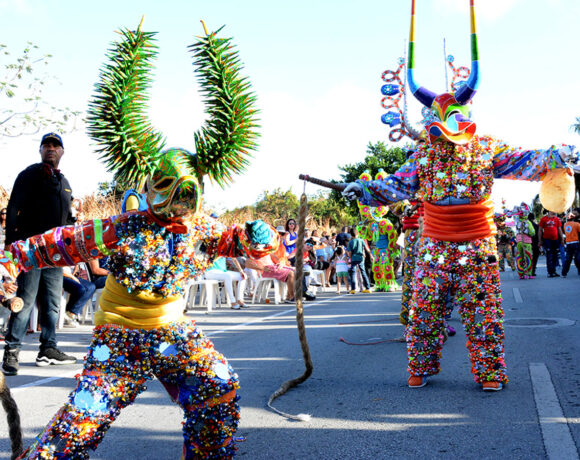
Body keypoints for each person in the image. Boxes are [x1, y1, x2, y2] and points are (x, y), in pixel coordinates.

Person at [341, 1, 578, 392]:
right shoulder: (425, 154)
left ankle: (489, 372)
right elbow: (398, 184)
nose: (441, 127)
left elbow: (526, 160)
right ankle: (420, 367)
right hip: (434, 244)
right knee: (424, 312)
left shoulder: (485, 149)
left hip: (477, 243)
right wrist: (363, 189)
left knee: (484, 312)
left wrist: (561, 154)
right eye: (435, 119)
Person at [2, 132, 77, 376]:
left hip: (55, 254)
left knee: (53, 304)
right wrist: (11, 246)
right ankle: (12, 352)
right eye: (46, 145)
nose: (51, 149)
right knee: (24, 300)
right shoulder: (30, 174)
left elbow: (66, 220)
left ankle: (48, 349)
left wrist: (72, 249)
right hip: (32, 250)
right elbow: (14, 207)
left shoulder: (64, 182)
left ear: (63, 152)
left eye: (56, 146)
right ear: (41, 150)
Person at [539, 210, 564, 277]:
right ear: (549, 210)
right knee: (549, 255)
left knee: (555, 256)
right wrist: (540, 240)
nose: (554, 211)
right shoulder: (543, 219)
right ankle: (550, 272)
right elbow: (540, 230)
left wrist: (562, 239)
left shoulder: (557, 219)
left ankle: (554, 271)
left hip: (555, 240)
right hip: (547, 240)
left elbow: (559, 229)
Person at [346, 227, 371, 294]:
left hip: (354, 258)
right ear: (357, 233)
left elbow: (350, 252)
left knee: (353, 272)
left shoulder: (350, 242)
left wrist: (350, 258)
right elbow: (367, 249)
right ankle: (368, 288)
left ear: (351, 235)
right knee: (363, 272)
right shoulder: (361, 240)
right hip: (361, 258)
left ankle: (353, 289)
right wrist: (370, 255)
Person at [561, 212, 580, 278]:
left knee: (568, 259)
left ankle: (564, 273)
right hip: (576, 243)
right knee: (578, 258)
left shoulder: (565, 225)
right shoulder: (577, 224)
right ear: (574, 218)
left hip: (568, 243)